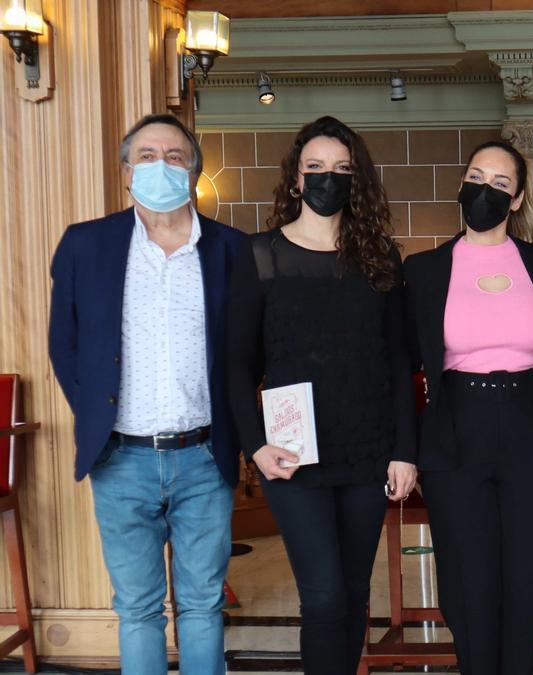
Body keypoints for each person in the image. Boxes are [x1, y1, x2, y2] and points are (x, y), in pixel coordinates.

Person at [48, 113, 244, 675]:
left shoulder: (230, 249)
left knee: (204, 604)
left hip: (205, 456)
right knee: (136, 609)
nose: (162, 165)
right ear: (127, 171)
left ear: (194, 172)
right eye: (148, 156)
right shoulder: (87, 244)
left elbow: (245, 351)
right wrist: (97, 419)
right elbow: (66, 344)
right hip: (121, 457)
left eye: (176, 156)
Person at [224, 116, 417, 675]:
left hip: (366, 449)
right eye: (315, 169)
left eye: (341, 170)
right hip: (293, 453)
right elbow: (238, 366)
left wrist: (404, 450)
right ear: (294, 179)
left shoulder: (381, 258)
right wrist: (255, 447)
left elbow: (398, 361)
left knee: (354, 596)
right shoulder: (260, 255)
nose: (326, 180)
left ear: (357, 181)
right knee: (325, 596)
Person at [403, 140, 533, 675]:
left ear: (516, 199)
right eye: (477, 176)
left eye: (500, 183)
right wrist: (404, 449)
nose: (484, 190)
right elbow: (403, 367)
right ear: (461, 183)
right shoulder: (424, 270)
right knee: (468, 582)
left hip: (529, 428)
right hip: (456, 429)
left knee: (523, 578)